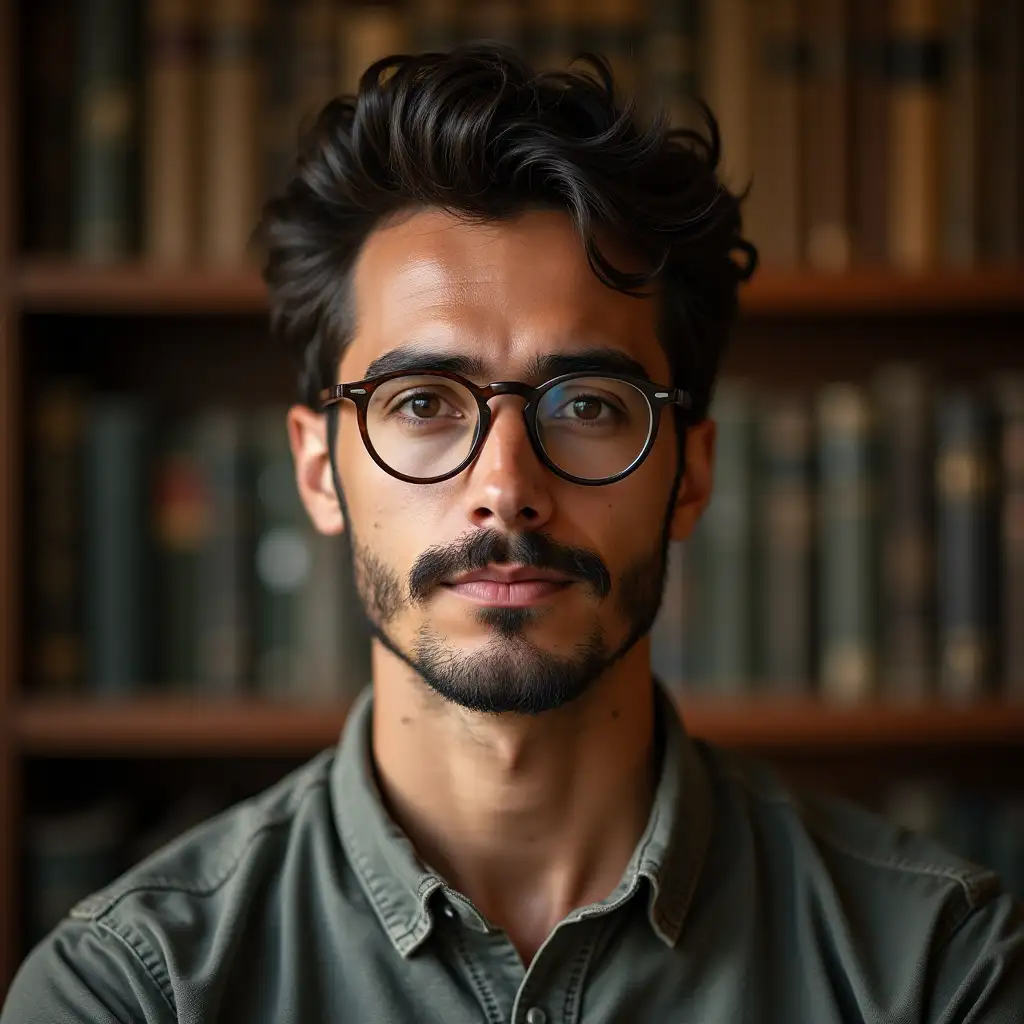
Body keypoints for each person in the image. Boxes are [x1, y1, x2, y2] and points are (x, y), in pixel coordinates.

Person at [4, 44, 1023, 1024]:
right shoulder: (129, 994)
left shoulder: (936, 966)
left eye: (585, 406)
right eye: (421, 403)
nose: (505, 488)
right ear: (320, 470)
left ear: (690, 473)